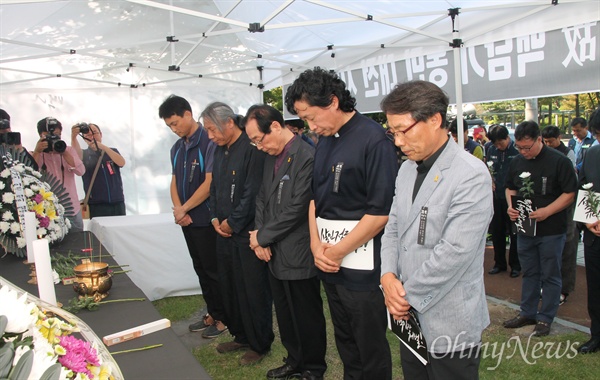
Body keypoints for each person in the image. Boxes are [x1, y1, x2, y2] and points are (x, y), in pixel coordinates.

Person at [285, 67, 396, 380]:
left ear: (332, 102)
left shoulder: (373, 140)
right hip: (330, 260)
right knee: (345, 339)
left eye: (310, 116)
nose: (309, 125)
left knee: (369, 343)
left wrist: (337, 251)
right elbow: (313, 200)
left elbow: (380, 212)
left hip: (362, 266)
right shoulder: (323, 140)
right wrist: (315, 244)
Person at [379, 80, 493, 379]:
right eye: (393, 132)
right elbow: (393, 226)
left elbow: (455, 252)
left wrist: (403, 296)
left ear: (435, 119)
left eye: (404, 130)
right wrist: (388, 275)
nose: (398, 141)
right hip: (407, 313)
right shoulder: (405, 169)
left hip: (450, 318)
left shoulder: (470, 174)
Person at [245, 104, 327, 380]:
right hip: (273, 251)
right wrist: (259, 238)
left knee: (306, 314)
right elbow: (261, 198)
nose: (259, 147)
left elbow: (297, 207)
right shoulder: (270, 156)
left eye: (260, 139)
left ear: (277, 127)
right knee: (285, 312)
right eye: (254, 142)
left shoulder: (306, 155)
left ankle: (313, 368)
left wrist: (263, 236)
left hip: (298, 249)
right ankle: (294, 360)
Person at [204, 101, 273, 366]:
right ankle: (241, 335)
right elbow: (214, 188)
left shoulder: (252, 149)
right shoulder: (220, 150)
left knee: (252, 290)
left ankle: (259, 342)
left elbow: (252, 193)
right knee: (229, 286)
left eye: (212, 130)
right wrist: (213, 218)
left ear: (229, 123)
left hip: (246, 233)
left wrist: (232, 223)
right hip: (222, 232)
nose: (210, 136)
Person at [157, 95, 228, 339]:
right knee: (200, 269)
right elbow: (174, 182)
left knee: (214, 270)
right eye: (169, 126)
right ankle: (213, 311)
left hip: (207, 219)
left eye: (175, 123)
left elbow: (210, 183)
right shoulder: (176, 148)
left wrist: (184, 208)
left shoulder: (208, 141)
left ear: (188, 114)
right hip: (187, 219)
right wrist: (179, 210)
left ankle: (224, 317)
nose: (174, 129)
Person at [503, 121, 577, 337]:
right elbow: (510, 187)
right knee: (530, 272)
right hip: (525, 228)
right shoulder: (517, 161)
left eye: (528, 147)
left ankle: (546, 318)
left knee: (550, 274)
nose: (524, 152)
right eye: (519, 147)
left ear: (539, 140)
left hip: (551, 230)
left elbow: (570, 193)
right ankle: (527, 312)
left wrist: (548, 211)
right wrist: (510, 207)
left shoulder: (559, 161)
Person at [541, 125, 578, 305]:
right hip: (549, 209)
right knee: (549, 252)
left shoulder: (567, 154)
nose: (549, 144)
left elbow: (572, 185)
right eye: (545, 142)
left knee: (568, 249)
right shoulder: (543, 156)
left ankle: (565, 289)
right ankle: (549, 286)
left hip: (566, 208)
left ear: (559, 137)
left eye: (551, 141)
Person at [32, 117, 85, 232]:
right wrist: (37, 152)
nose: (53, 138)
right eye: (49, 135)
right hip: (48, 211)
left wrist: (64, 152)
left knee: (78, 244)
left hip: (72, 208)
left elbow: (81, 171)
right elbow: (30, 173)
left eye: (57, 135)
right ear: (41, 135)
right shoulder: (37, 154)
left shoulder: (69, 151)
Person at [577, 107, 600, 354]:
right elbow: (585, 189)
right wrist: (588, 221)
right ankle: (597, 335)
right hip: (594, 237)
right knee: (595, 290)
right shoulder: (592, 154)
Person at [70, 123, 126, 218]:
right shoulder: (85, 154)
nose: (92, 136)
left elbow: (121, 163)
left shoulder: (111, 151)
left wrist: (103, 147)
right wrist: (73, 137)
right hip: (96, 204)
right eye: (88, 135)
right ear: (84, 139)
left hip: (117, 202)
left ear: (101, 134)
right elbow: (76, 155)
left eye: (95, 133)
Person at [487, 125, 521, 278]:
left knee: (515, 232)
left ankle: (515, 265)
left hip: (513, 197)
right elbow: (488, 168)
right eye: (495, 144)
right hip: (496, 196)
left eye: (500, 143)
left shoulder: (517, 151)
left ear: (507, 138)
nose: (498, 147)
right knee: (497, 231)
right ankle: (499, 262)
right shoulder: (491, 150)